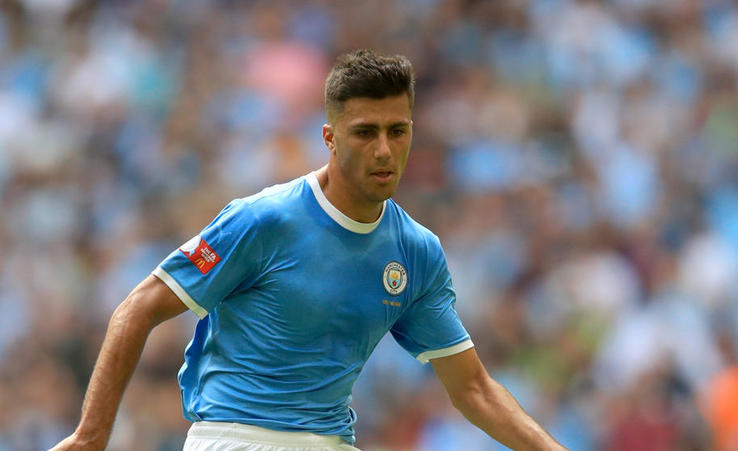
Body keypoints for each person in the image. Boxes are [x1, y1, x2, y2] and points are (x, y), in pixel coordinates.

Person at [50, 49, 567, 451]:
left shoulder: (416, 253)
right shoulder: (263, 219)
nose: (384, 149)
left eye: (397, 130)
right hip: (237, 439)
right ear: (330, 136)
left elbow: (473, 389)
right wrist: (92, 436)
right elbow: (138, 308)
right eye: (365, 132)